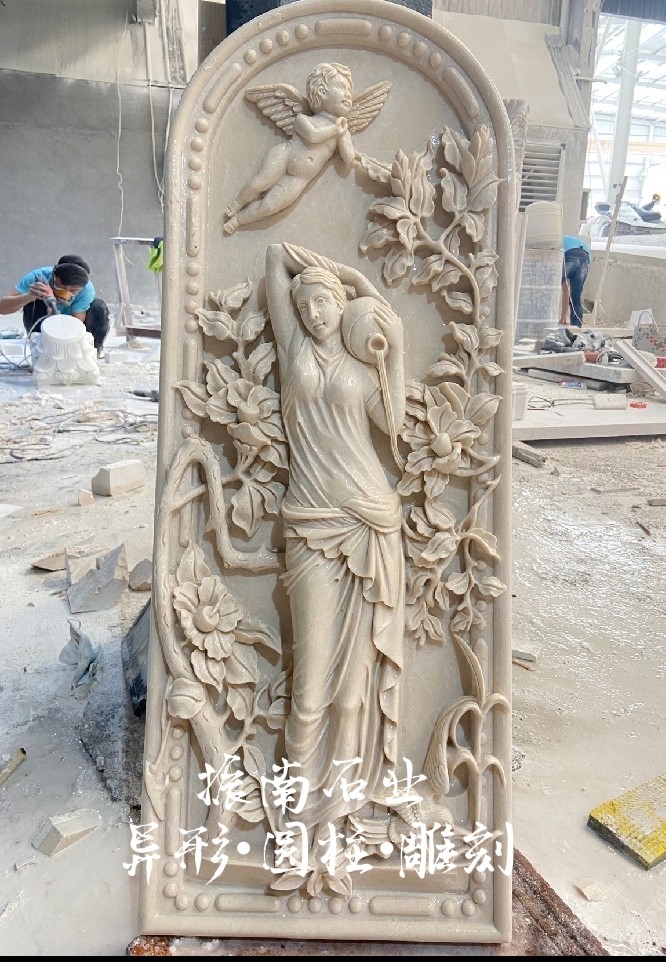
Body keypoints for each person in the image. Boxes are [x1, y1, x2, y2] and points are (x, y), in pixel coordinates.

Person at [264, 241, 405, 856]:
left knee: (352, 695)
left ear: (340, 307)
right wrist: (347, 275)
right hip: (310, 525)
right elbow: (275, 255)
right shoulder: (293, 351)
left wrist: (392, 343)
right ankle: (295, 819)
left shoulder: (361, 369)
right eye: (306, 306)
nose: (315, 313)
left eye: (323, 303)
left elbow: (393, 425)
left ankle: (339, 815)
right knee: (310, 691)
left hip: (370, 523)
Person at [224, 64, 367, 234]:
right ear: (321, 92)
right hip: (284, 156)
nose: (348, 94)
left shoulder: (342, 132)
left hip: (300, 178)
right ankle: (237, 203)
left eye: (349, 90)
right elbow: (313, 136)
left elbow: (348, 158)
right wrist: (336, 129)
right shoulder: (303, 119)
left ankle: (238, 221)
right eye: (342, 88)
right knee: (258, 183)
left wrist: (357, 157)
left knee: (270, 205)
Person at [0, 255, 110, 358]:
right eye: (61, 287)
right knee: (34, 301)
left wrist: (55, 316)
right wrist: (28, 296)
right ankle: (40, 353)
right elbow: (2, 308)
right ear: (54, 276)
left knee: (98, 307)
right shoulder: (37, 277)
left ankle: (92, 353)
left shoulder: (86, 289)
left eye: (73, 290)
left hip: (68, 325)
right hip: (41, 322)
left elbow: (76, 324)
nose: (66, 292)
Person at [561, 234, 591, 328]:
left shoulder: (557, 241)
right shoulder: (567, 239)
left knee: (552, 290)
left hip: (568, 253)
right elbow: (566, 289)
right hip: (585, 256)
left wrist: (563, 316)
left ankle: (547, 322)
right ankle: (576, 328)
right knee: (576, 298)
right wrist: (564, 316)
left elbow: (565, 288)